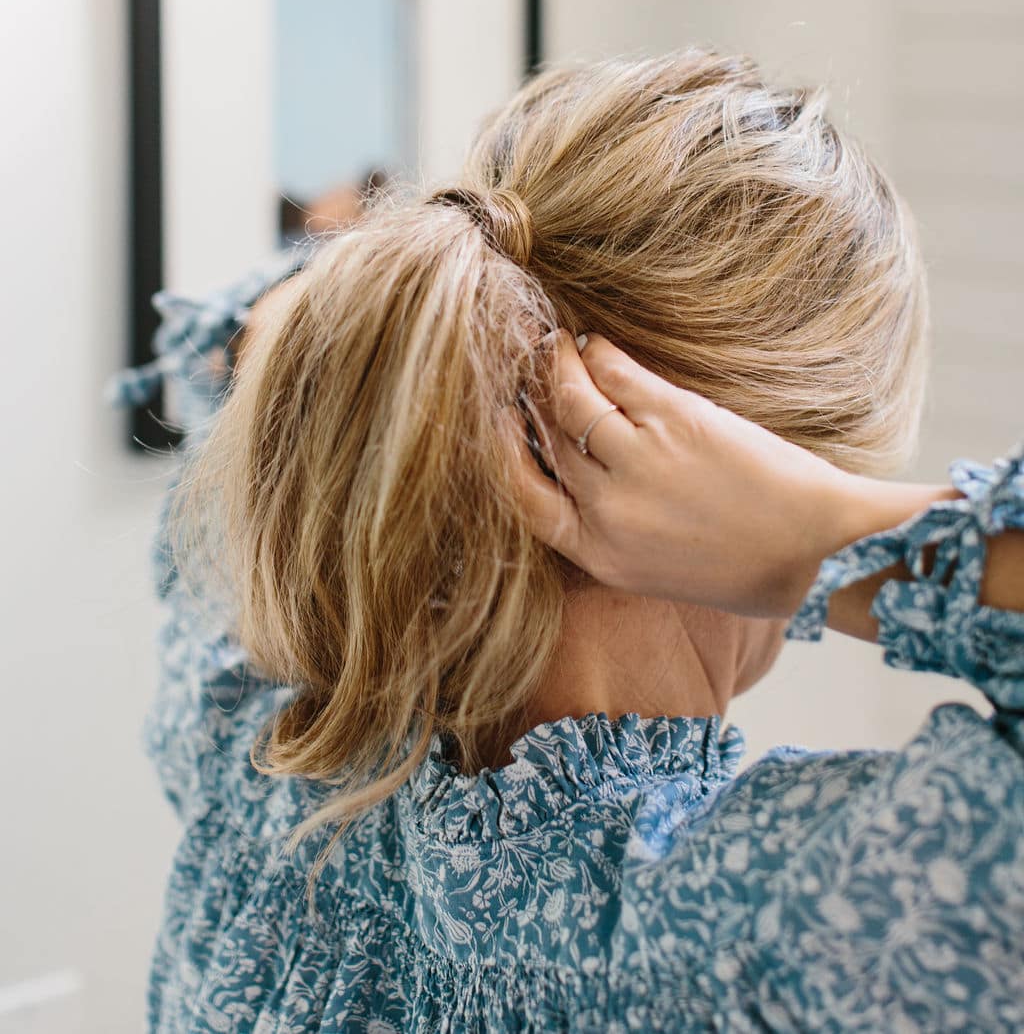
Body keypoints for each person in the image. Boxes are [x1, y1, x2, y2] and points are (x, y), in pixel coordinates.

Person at [107, 51, 1024, 1032]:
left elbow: (235, 344)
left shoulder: (250, 739)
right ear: (748, 475)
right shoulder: (777, 937)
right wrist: (820, 539)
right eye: (837, 481)